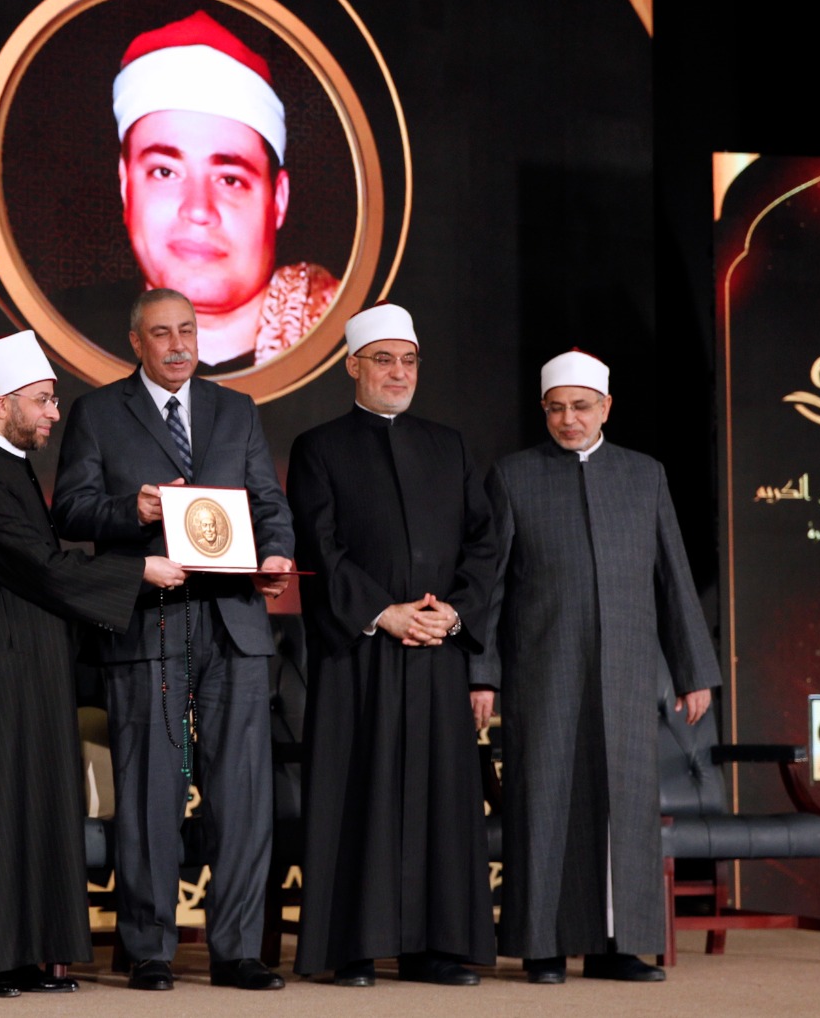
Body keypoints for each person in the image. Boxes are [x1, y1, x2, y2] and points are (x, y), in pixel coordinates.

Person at [0, 331, 187, 997]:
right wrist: (138, 571)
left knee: (28, 811)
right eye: (42, 401)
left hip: (26, 666)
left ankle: (24, 955)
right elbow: (41, 566)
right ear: (1, 403)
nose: (54, 414)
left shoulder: (9, 467)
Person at [53, 287, 296, 991]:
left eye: (187, 330)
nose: (179, 344)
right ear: (137, 342)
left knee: (241, 794)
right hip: (150, 620)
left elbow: (268, 503)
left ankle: (237, 950)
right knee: (150, 790)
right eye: (162, 333)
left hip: (234, 621)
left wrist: (275, 555)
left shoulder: (235, 409)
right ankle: (150, 947)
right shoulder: (100, 412)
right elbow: (70, 509)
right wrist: (130, 510)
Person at [475, 349, 720, 984]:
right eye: (556, 408)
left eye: (581, 407)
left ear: (606, 407)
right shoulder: (514, 476)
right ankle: (543, 947)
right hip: (543, 669)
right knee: (544, 802)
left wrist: (694, 670)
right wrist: (483, 674)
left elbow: (674, 579)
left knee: (625, 808)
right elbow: (490, 589)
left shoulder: (644, 476)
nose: (568, 420)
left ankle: (619, 947)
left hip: (627, 672)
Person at [287, 302, 496, 987]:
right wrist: (383, 613)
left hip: (438, 649)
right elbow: (320, 547)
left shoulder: (451, 445)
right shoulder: (319, 447)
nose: (399, 373)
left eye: (409, 361)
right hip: (361, 652)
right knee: (358, 793)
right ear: (354, 365)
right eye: (384, 360)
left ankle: (433, 947)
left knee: (440, 798)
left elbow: (485, 545)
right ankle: (352, 946)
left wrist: (453, 614)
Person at [64, 11, 338, 371]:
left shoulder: (349, 346)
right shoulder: (56, 343)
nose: (197, 209)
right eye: (165, 172)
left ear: (278, 199)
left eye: (230, 179)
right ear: (126, 185)